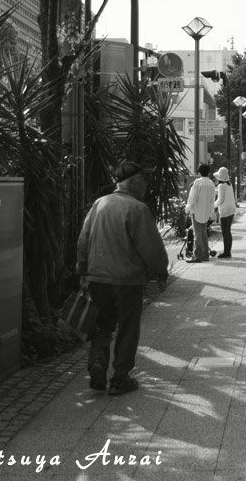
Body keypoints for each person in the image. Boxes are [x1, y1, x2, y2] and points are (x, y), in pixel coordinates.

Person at [76, 161, 169, 395]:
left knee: (102, 325)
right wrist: (161, 272)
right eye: (143, 179)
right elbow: (151, 247)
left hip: (97, 278)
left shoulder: (99, 204)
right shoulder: (137, 209)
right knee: (128, 327)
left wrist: (83, 270)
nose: (146, 184)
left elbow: (83, 239)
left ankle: (98, 363)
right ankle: (120, 377)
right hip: (126, 280)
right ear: (133, 182)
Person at [185, 163, 216, 262]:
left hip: (196, 210)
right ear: (208, 172)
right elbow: (212, 199)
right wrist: (211, 211)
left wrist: (188, 208)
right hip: (206, 211)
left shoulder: (197, 182)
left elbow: (193, 198)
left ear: (199, 172)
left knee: (197, 234)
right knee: (203, 233)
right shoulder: (211, 183)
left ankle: (198, 255)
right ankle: (205, 254)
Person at [213, 167, 237, 258]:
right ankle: (228, 251)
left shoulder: (221, 186)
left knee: (225, 232)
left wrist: (212, 205)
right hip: (231, 210)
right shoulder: (229, 185)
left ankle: (226, 252)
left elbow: (220, 200)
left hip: (224, 211)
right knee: (228, 232)